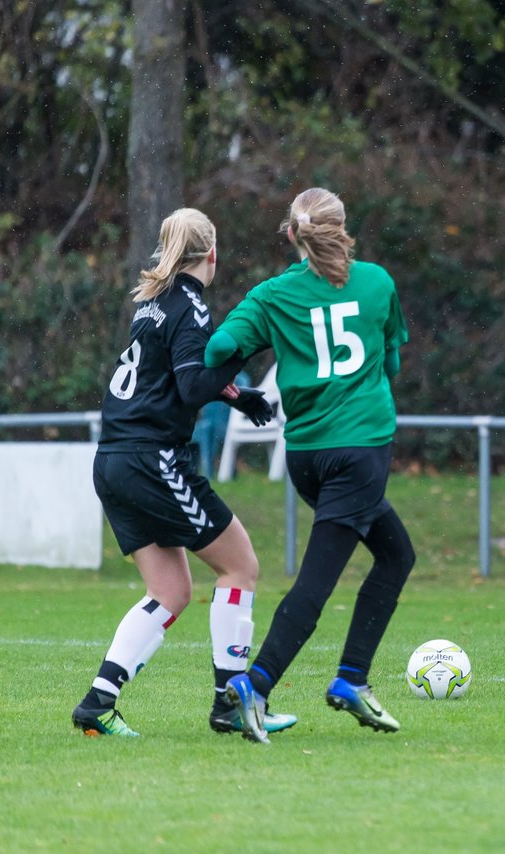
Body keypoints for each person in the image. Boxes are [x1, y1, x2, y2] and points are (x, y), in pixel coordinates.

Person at [73, 208, 296, 738]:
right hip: (153, 459)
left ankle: (96, 704)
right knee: (240, 565)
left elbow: (175, 378)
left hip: (115, 460)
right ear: (212, 253)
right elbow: (194, 385)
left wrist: (239, 398)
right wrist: (248, 346)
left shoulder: (152, 304)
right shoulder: (191, 307)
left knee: (171, 591)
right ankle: (231, 703)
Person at [205, 187, 415, 744]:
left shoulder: (273, 295)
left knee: (396, 555)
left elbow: (217, 349)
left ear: (291, 234)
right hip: (360, 452)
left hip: (305, 456)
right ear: (343, 228)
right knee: (318, 581)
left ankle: (351, 679)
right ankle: (255, 685)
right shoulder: (376, 282)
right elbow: (392, 357)